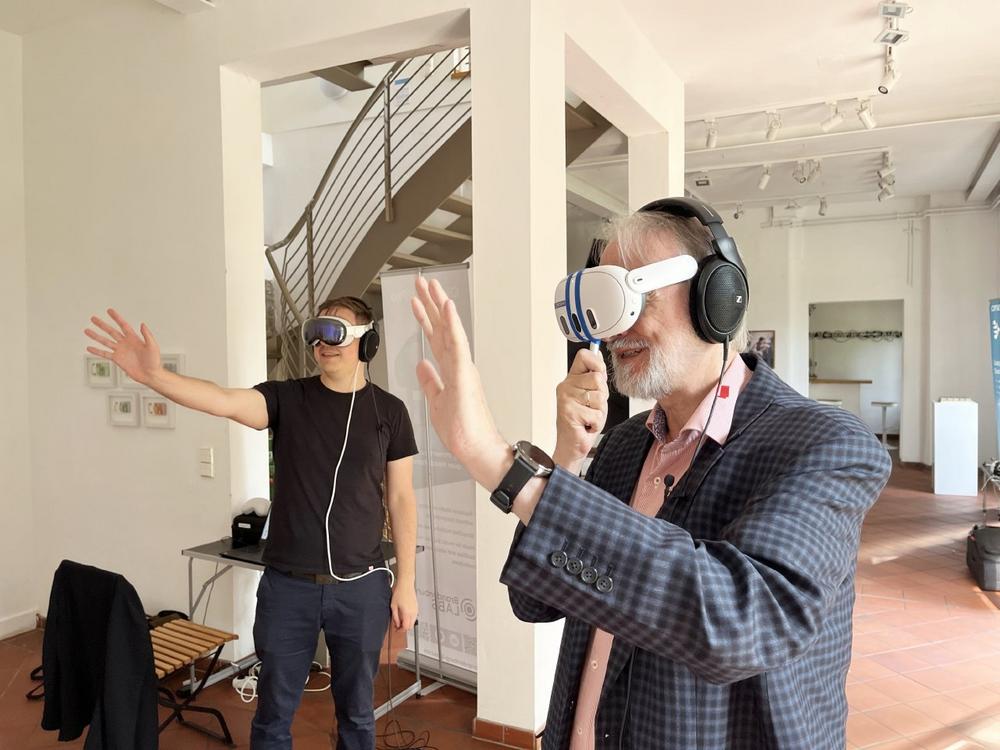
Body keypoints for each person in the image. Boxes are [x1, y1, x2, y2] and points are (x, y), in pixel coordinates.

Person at [410, 201, 891, 749]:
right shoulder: (620, 447)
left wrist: (502, 467)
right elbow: (534, 600)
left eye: (634, 295)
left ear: (716, 298)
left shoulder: (824, 443)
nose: (616, 327)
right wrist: (565, 461)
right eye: (604, 303)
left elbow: (741, 623)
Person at [84, 296, 419, 750]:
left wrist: (406, 582)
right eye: (314, 332)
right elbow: (223, 400)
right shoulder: (288, 398)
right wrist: (155, 377)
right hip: (288, 588)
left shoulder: (390, 412)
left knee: (358, 713)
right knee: (273, 713)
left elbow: (401, 498)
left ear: (366, 340)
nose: (321, 342)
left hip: (361, 587)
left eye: (334, 331)